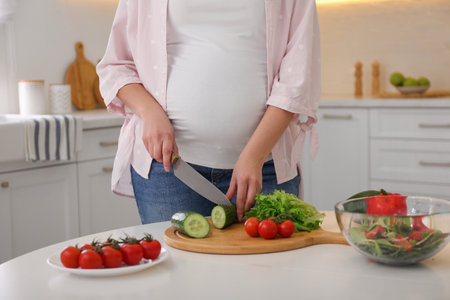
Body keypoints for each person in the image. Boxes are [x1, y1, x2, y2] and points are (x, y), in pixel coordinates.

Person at [97, 0, 321, 224]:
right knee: (178, 259)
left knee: (267, 260)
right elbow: (116, 65)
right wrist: (149, 111)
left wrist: (255, 156)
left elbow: (296, 82)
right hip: (171, 169)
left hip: (265, 169)